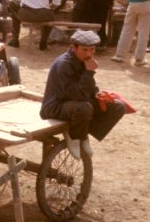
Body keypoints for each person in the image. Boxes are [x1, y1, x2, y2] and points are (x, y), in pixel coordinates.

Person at [41, 29, 126, 160]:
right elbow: (77, 94)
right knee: (85, 107)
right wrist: (90, 72)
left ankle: (83, 132)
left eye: (92, 49)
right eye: (85, 50)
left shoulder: (83, 61)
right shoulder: (64, 64)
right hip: (55, 107)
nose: (89, 54)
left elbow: (88, 88)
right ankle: (74, 136)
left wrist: (97, 94)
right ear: (73, 48)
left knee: (118, 106)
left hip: (75, 103)